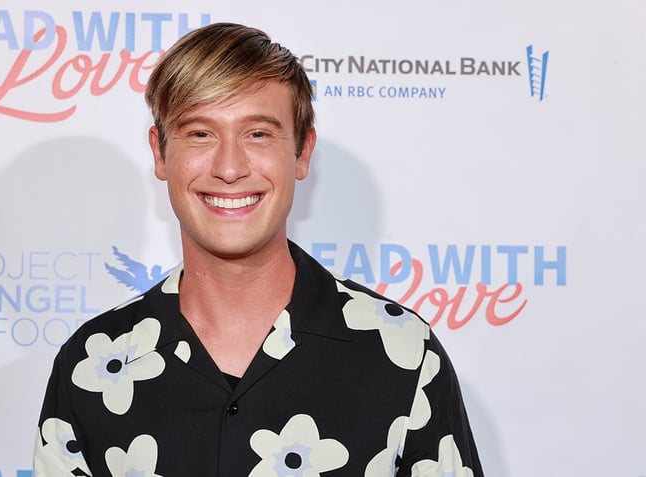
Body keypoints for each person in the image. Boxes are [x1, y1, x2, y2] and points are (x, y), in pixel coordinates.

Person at [34, 22, 483, 476]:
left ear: (302, 152)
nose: (229, 168)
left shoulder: (403, 353)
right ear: (161, 153)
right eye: (200, 134)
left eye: (258, 134)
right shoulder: (92, 363)